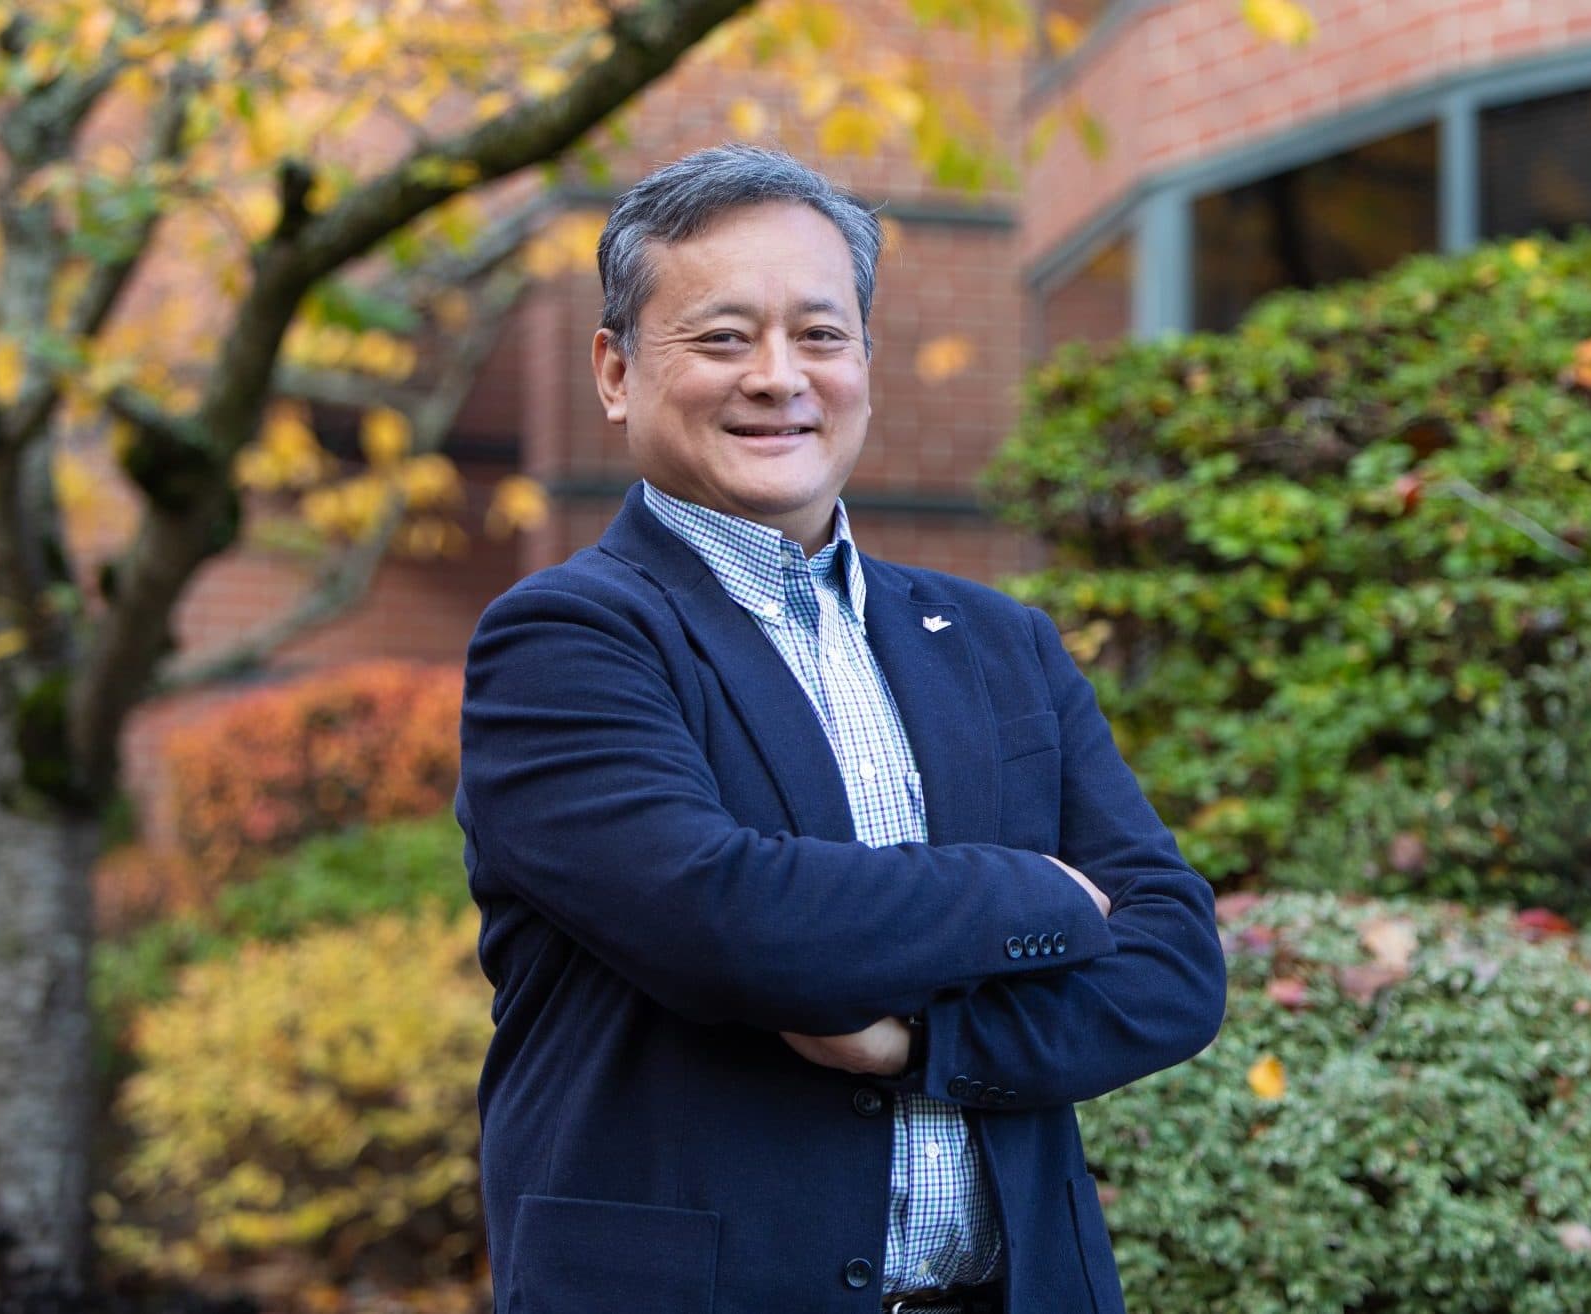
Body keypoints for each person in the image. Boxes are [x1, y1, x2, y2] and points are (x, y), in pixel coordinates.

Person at [455, 145, 1227, 1314]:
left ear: (864, 360)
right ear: (615, 371)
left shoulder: (997, 642)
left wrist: (921, 1042)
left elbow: (1173, 966)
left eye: (820, 334)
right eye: (721, 339)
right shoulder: (567, 639)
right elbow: (727, 918)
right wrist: (1044, 896)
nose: (779, 377)